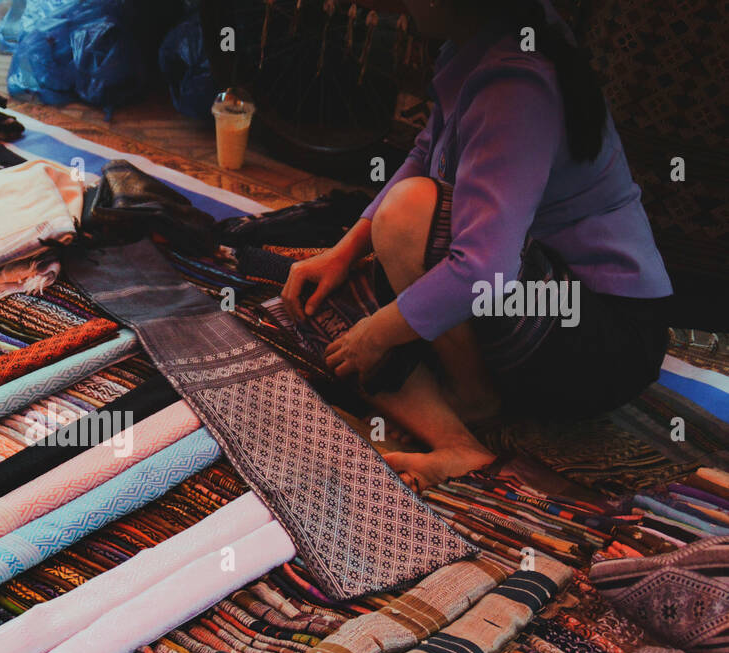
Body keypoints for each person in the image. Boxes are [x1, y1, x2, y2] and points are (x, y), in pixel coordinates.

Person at [282, 0, 675, 489]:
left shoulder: (518, 83)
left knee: (404, 223)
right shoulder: (484, 41)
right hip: (530, 291)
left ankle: (474, 400)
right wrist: (344, 252)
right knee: (321, 309)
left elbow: (485, 271)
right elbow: (428, 151)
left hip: (601, 335)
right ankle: (461, 443)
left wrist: (377, 333)